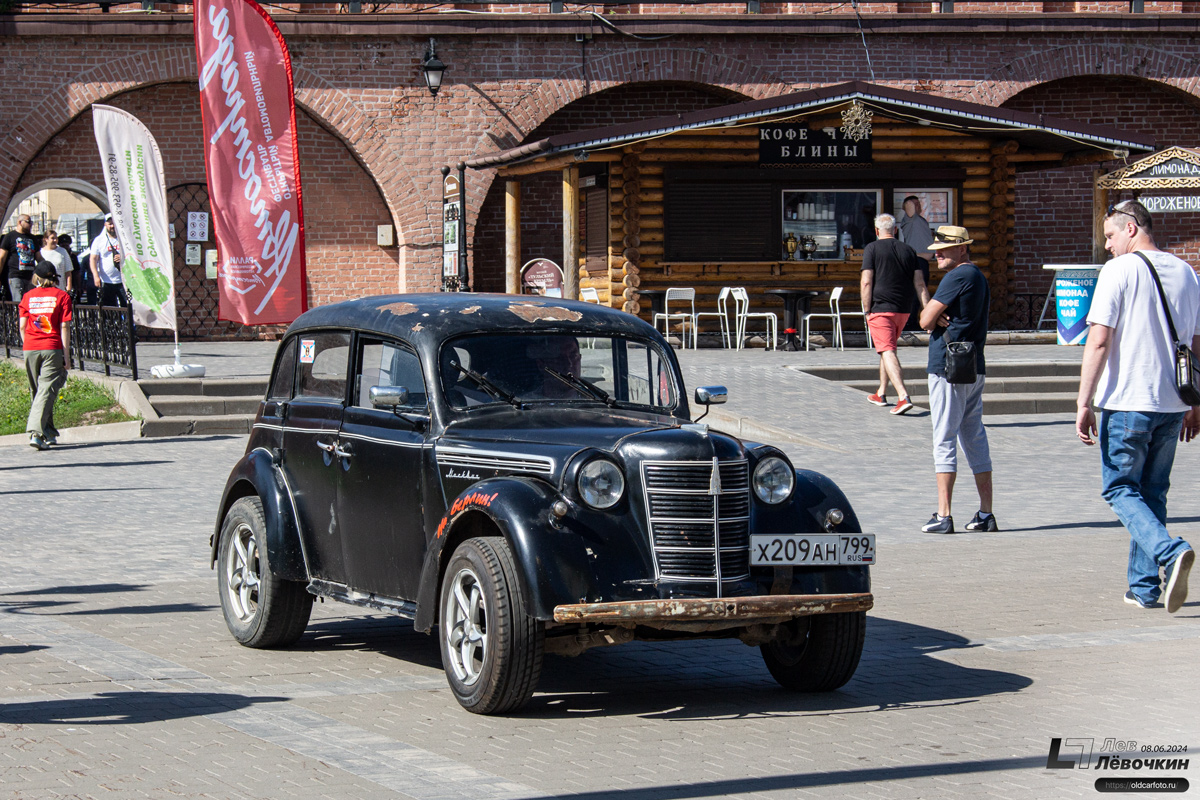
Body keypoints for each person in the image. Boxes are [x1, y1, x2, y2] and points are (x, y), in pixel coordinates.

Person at [1075, 199, 1198, 613]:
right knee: (1153, 492)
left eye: (1109, 235)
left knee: (1120, 488)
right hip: (1173, 401)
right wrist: (1196, 402)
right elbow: (1195, 342)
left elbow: (1099, 338)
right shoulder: (1186, 272)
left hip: (1128, 399)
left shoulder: (1119, 270)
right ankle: (1144, 589)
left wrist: (1083, 399)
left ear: (1131, 228)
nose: (1107, 245)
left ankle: (1169, 551)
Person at [918, 225, 995, 534]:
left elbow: (923, 320)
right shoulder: (978, 276)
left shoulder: (957, 276)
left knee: (944, 437)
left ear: (962, 248)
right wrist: (936, 314)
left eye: (943, 248)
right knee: (974, 437)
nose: (937, 253)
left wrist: (933, 314)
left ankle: (943, 515)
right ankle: (985, 513)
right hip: (973, 365)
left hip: (948, 368)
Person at [860, 213, 931, 415]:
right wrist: (926, 313)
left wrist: (866, 309)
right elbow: (920, 284)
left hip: (880, 308)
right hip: (903, 309)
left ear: (876, 231)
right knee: (888, 349)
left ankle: (903, 396)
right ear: (896, 230)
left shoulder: (871, 248)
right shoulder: (909, 251)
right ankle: (881, 393)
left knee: (887, 351)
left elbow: (866, 281)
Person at [19, 260, 73, 451]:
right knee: (46, 390)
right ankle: (36, 433)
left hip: (30, 347)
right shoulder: (62, 296)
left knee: (39, 391)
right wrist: (66, 354)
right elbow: (64, 326)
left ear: (37, 277)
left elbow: (22, 326)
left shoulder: (27, 296)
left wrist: (27, 345)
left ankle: (48, 432)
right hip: (52, 347)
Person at [89, 213, 127, 307]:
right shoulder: (99, 240)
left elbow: (134, 255)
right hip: (106, 281)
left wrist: (123, 257)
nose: (112, 226)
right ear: (105, 225)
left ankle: (127, 322)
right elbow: (93, 259)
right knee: (109, 308)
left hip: (124, 280)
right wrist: (96, 276)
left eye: (114, 223)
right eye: (109, 224)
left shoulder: (125, 238)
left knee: (127, 306)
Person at [1, 213, 40, 302]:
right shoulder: (10, 237)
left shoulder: (32, 238)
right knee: (18, 302)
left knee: (30, 302)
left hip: (30, 275)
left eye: (31, 222)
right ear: (19, 222)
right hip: (15, 275)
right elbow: (2, 258)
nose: (31, 224)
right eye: (28, 222)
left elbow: (38, 256)